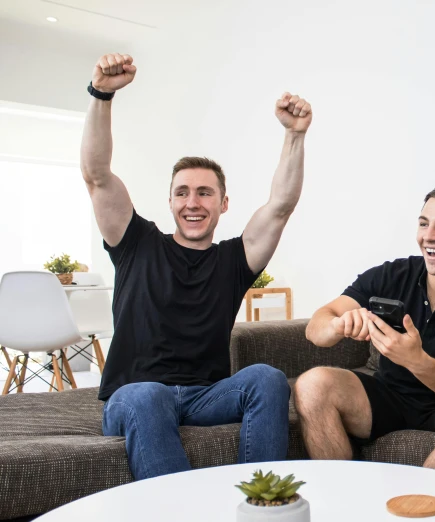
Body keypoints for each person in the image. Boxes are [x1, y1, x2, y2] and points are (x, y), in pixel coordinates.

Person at [81, 53, 312, 480]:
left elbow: (281, 207)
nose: (193, 202)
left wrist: (295, 136)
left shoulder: (232, 260)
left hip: (205, 397)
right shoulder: (135, 243)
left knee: (267, 378)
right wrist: (102, 95)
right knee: (148, 395)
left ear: (223, 204)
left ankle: (258, 503)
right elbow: (97, 175)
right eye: (182, 192)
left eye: (205, 193)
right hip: (134, 396)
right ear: (169, 201)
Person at [295, 185, 435, 475]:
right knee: (311, 385)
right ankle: (345, 503)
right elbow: (316, 326)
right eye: (424, 223)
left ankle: (417, 506)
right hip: (387, 396)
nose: (429, 236)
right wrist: (338, 325)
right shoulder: (393, 275)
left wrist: (416, 360)